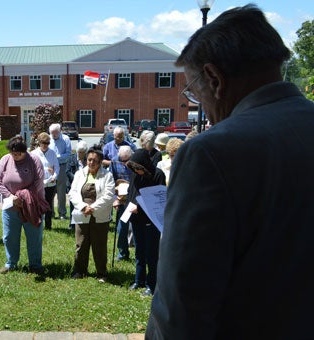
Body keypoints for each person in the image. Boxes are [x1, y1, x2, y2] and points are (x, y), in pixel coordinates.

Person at [147, 5, 314, 338]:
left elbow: (182, 306)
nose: (201, 105)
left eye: (194, 92)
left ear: (214, 79)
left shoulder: (210, 153)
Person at [0, 135, 49, 274]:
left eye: (18, 154)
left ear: (25, 151)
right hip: (10, 207)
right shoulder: (5, 160)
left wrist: (23, 197)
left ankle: (35, 265)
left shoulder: (34, 160)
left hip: (31, 206)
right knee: (9, 236)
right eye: (13, 153)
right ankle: (11, 263)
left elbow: (38, 181)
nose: (16, 156)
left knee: (34, 236)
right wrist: (11, 197)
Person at [68, 147, 115, 282]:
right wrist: (83, 207)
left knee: (99, 245)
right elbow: (73, 193)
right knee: (81, 244)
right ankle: (79, 271)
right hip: (81, 214)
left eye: (95, 160)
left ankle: (101, 273)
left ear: (100, 162)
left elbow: (108, 196)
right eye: (89, 160)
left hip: (99, 215)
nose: (91, 163)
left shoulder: (107, 176)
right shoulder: (79, 174)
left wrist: (92, 208)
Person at [125, 148, 166, 297]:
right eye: (133, 168)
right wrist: (125, 204)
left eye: (138, 168)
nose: (136, 170)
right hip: (137, 220)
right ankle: (139, 280)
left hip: (151, 220)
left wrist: (140, 208)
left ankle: (152, 284)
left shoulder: (157, 175)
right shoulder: (136, 176)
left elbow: (158, 199)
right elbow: (132, 194)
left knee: (151, 254)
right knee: (139, 251)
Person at [108, 145, 134, 261]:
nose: (124, 163)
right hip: (121, 199)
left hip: (134, 199)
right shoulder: (114, 162)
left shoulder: (135, 163)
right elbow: (110, 182)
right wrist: (115, 199)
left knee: (135, 228)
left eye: (126, 160)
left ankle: (140, 254)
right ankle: (123, 253)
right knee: (121, 228)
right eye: (122, 160)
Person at [31, 132, 59, 230]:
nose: (45, 145)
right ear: (39, 142)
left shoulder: (52, 153)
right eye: (43, 143)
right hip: (39, 184)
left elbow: (57, 167)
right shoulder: (34, 154)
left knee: (48, 204)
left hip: (51, 183)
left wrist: (54, 176)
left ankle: (48, 225)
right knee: (38, 204)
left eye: (47, 143)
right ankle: (38, 224)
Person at [48, 123, 71, 219]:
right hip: (51, 168)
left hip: (62, 167)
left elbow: (68, 153)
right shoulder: (48, 139)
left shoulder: (65, 139)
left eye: (55, 133)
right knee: (50, 190)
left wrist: (57, 158)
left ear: (59, 131)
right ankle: (51, 213)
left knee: (61, 191)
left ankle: (62, 213)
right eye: (52, 133)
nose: (53, 135)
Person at [66, 140, 88, 230]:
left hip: (85, 185)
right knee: (73, 204)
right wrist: (76, 178)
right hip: (73, 185)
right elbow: (67, 171)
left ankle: (83, 222)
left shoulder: (88, 160)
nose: (80, 154)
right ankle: (72, 224)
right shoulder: (71, 158)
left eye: (82, 152)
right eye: (79, 152)